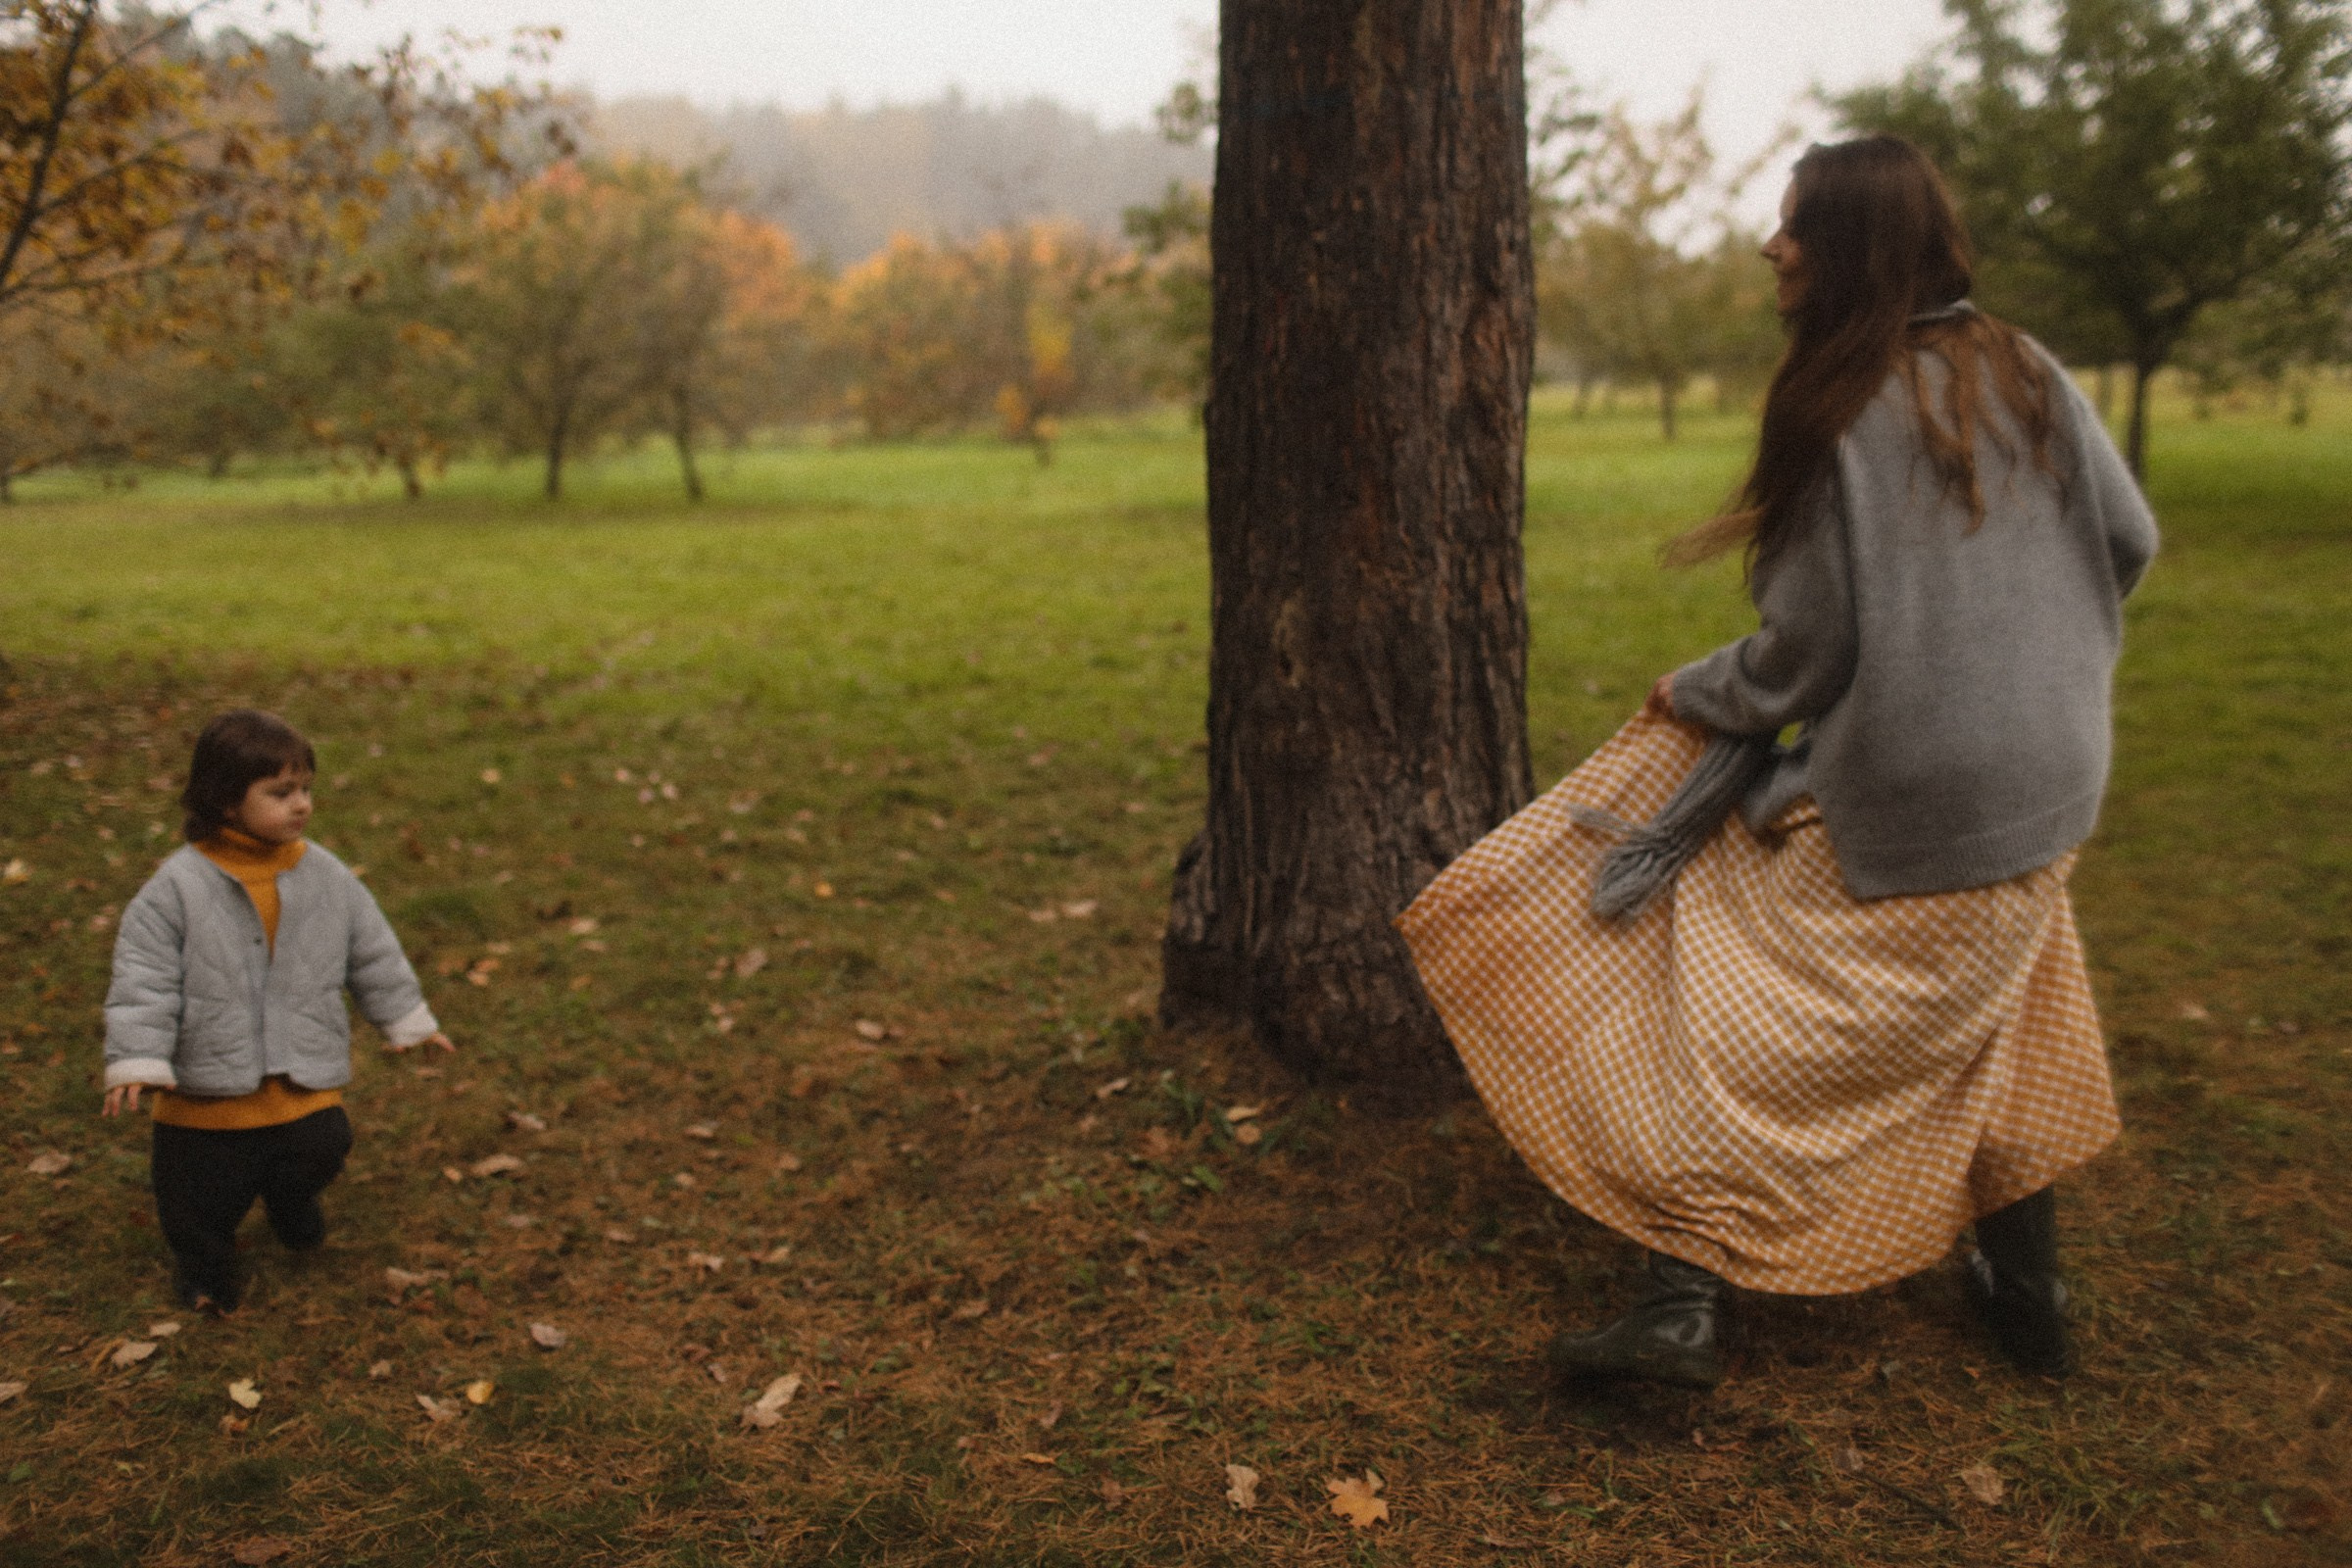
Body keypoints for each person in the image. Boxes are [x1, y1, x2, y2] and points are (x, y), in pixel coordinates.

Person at [1398, 135, 2157, 1387]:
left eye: (1796, 224)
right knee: (2015, 989)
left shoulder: (1838, 405)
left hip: (1915, 799)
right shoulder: (2024, 366)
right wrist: (2027, 659)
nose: (1772, 245)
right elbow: (2124, 542)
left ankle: (1677, 1304)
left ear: (1850, 249)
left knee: (1706, 983)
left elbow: (1804, 656)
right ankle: (2031, 1294)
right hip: (2051, 786)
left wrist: (1695, 690)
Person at [101, 710, 454, 1312]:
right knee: (197, 1195)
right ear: (225, 802)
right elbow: (144, 979)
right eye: (280, 792)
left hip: (300, 1073)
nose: (302, 805)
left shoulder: (326, 876)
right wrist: (138, 1057)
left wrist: (405, 1019)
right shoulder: (177, 889)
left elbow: (372, 951)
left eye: (306, 789)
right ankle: (206, 1272)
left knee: (322, 1145)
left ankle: (290, 1199)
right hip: (207, 1086)